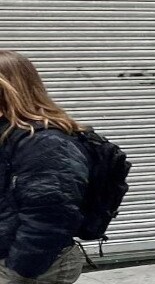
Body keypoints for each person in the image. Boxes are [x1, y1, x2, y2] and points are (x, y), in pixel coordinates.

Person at [0, 53, 88, 284]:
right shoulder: (6, 132)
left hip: (31, 265)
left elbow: (51, 215)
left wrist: (19, 272)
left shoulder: (45, 142)